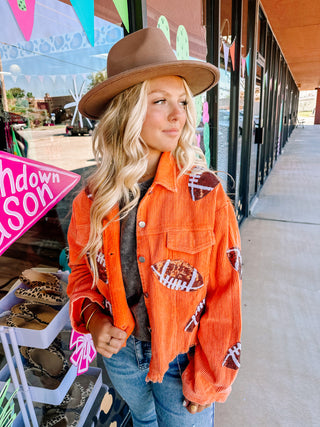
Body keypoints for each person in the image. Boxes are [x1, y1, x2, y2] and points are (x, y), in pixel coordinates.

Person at [67, 27, 242, 427]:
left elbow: (225, 292)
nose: (179, 114)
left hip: (183, 359)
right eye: (160, 101)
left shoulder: (206, 194)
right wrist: (94, 321)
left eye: (182, 101)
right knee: (144, 422)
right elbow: (80, 272)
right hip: (122, 356)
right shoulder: (92, 201)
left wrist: (213, 379)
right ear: (125, 112)